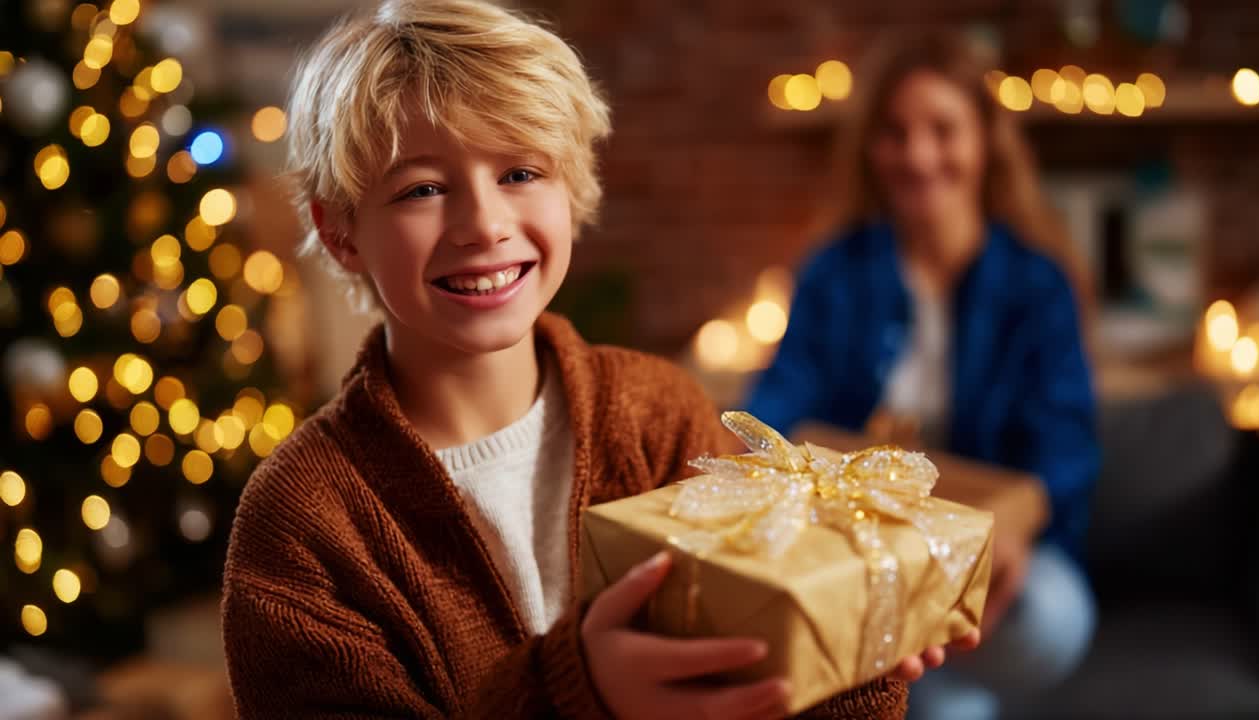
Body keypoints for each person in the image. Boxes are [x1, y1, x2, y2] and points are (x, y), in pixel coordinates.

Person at [220, 3, 967, 718]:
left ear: (572, 183)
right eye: (423, 189)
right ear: (341, 231)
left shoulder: (659, 413)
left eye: (520, 174)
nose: (484, 224)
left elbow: (761, 671)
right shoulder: (299, 526)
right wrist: (580, 695)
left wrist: (852, 659)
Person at [746, 30, 1099, 720]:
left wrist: (1009, 533)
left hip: (991, 556)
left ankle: (892, 670)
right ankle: (914, 673)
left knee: (1052, 615)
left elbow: (1066, 451)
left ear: (985, 141)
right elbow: (779, 401)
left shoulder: (1038, 284)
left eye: (943, 130)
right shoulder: (832, 272)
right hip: (856, 550)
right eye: (895, 133)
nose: (918, 156)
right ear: (870, 149)